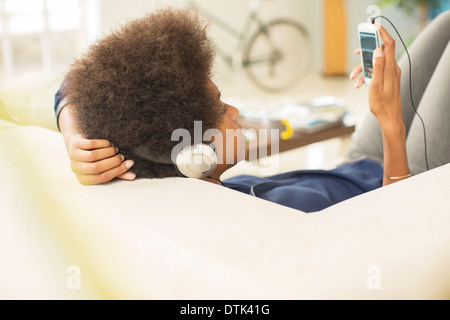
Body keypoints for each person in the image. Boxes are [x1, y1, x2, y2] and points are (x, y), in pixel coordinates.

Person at [55, 9, 450, 213]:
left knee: (445, 22)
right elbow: (395, 227)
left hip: (356, 161)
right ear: (196, 156)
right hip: (403, 176)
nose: (235, 109)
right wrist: (391, 123)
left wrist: (75, 133)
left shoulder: (180, 181)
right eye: (219, 107)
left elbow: (71, 84)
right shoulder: (286, 217)